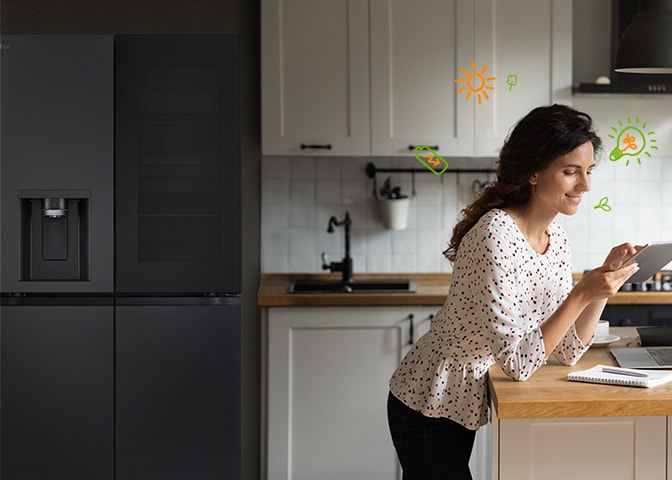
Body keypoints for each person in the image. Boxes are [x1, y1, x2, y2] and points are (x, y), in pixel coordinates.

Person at [387, 104, 640, 480]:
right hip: (429, 400)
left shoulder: (556, 240)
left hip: (462, 400)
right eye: (571, 172)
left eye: (588, 172)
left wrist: (602, 284)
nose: (585, 186)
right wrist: (581, 293)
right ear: (533, 173)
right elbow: (518, 364)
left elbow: (567, 351)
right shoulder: (496, 235)